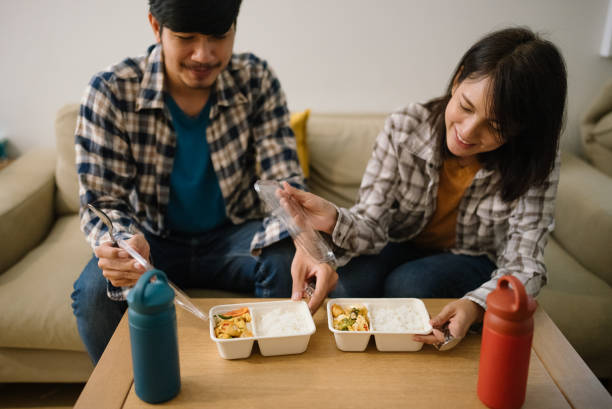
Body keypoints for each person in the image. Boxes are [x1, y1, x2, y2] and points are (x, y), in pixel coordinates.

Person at [280, 27, 567, 347]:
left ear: (521, 130)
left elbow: (525, 265)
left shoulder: (537, 161)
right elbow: (371, 225)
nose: (468, 132)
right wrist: (333, 219)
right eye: (466, 107)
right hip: (398, 241)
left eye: (495, 127)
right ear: (458, 79)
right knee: (348, 287)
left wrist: (476, 305)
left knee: (409, 284)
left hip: (472, 258)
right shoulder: (405, 126)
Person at [71, 0, 308, 364]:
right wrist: (123, 245)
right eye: (186, 38)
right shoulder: (111, 91)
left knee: (285, 259)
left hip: (234, 235)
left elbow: (285, 181)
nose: (203, 54)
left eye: (218, 36)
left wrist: (307, 240)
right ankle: (130, 390)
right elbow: (103, 203)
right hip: (152, 240)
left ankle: (268, 380)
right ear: (155, 26)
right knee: (92, 293)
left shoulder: (255, 78)